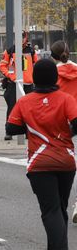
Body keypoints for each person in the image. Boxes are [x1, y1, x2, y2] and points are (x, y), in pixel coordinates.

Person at [6, 59, 77, 250]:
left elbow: (11, 128)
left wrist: (31, 126)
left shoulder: (25, 102)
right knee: (60, 209)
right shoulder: (67, 99)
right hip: (66, 160)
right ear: (55, 79)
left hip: (40, 162)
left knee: (51, 210)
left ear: (34, 78)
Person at [50, 40, 77, 223]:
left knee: (60, 164)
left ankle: (59, 202)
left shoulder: (52, 74)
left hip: (61, 122)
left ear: (53, 57)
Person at [0, 30, 37, 140]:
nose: (20, 39)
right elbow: (2, 66)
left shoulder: (31, 51)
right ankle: (9, 131)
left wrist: (34, 79)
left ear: (26, 38)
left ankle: (28, 131)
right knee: (11, 108)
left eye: (22, 37)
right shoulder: (10, 51)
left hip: (28, 84)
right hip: (13, 84)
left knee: (29, 109)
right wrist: (11, 76)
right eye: (18, 37)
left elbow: (37, 65)